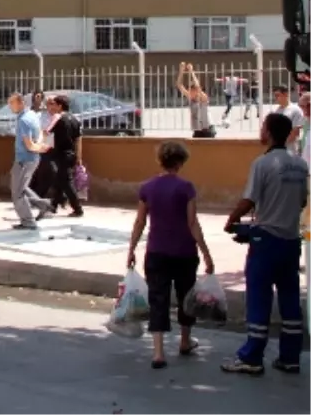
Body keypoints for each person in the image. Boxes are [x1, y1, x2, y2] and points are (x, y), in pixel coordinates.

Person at [221, 112, 310, 376]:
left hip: (266, 240)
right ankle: (290, 357)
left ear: (269, 132)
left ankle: (252, 357)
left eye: (263, 127)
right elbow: (302, 202)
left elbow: (248, 200)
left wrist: (232, 220)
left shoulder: (263, 163)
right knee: (290, 298)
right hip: (291, 240)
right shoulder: (299, 164)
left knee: (259, 297)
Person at [127, 141, 215, 370]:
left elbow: (139, 222)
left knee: (158, 299)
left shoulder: (147, 187)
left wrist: (131, 250)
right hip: (184, 252)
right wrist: (206, 254)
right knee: (186, 297)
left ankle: (158, 352)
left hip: (156, 251)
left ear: (161, 160)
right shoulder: (186, 187)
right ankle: (185, 341)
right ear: (180, 162)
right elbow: (193, 223)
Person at [7, 92, 52, 229]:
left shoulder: (23, 121)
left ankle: (28, 222)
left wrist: (38, 148)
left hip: (24, 160)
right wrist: (40, 146)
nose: (10, 107)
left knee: (17, 194)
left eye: (12, 104)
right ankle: (43, 205)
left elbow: (29, 145)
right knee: (19, 188)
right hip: (29, 159)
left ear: (20, 103)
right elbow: (39, 135)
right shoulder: (31, 115)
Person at [47, 93, 84, 217]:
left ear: (60, 106)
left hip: (61, 154)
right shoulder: (75, 119)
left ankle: (78, 209)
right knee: (59, 180)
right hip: (71, 154)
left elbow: (48, 135)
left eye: (55, 105)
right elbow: (78, 140)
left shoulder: (58, 119)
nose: (52, 108)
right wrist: (79, 157)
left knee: (66, 182)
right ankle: (53, 206)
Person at [176, 62, 215, 138]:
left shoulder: (203, 97)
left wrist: (191, 72)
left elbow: (197, 86)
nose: (190, 90)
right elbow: (179, 85)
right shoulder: (190, 97)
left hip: (207, 129)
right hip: (197, 129)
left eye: (193, 89)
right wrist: (181, 72)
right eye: (190, 89)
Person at [273, 85, 305, 151]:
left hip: (290, 150)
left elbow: (295, 132)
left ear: (285, 94)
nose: (275, 98)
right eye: (275, 96)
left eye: (277, 95)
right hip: (278, 149)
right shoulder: (277, 110)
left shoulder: (295, 110)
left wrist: (281, 145)